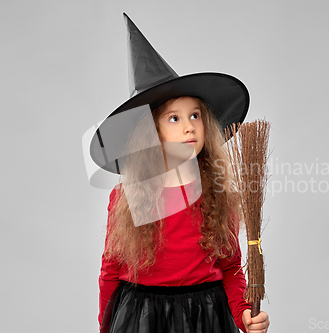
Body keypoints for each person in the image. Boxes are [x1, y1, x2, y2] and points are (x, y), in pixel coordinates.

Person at [88, 13, 270, 333]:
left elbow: (230, 268)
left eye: (195, 115)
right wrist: (105, 325)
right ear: (150, 131)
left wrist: (243, 313)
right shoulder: (127, 196)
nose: (189, 126)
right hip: (142, 317)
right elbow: (111, 271)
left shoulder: (219, 193)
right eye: (174, 118)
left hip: (206, 316)